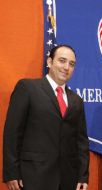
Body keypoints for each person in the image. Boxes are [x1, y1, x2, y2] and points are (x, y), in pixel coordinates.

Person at [3, 45, 89, 190]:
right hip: (32, 177)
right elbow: (12, 133)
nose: (67, 67)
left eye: (71, 64)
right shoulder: (27, 88)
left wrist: (83, 175)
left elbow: (81, 142)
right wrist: (11, 173)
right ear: (49, 62)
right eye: (62, 61)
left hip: (68, 179)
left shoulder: (76, 100)